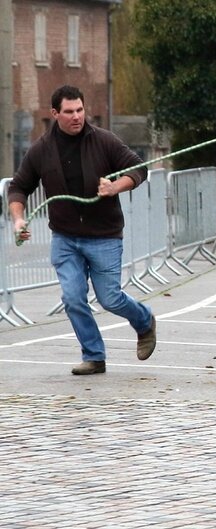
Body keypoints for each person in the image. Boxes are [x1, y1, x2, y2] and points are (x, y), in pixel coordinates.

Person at [8, 85, 157, 375]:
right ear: (54, 114)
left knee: (110, 298)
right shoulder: (41, 149)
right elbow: (18, 187)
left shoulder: (104, 141)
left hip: (104, 236)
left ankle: (144, 321)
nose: (76, 116)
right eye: (69, 112)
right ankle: (94, 355)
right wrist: (18, 219)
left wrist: (116, 186)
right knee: (73, 298)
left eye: (80, 110)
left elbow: (140, 168)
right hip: (64, 238)